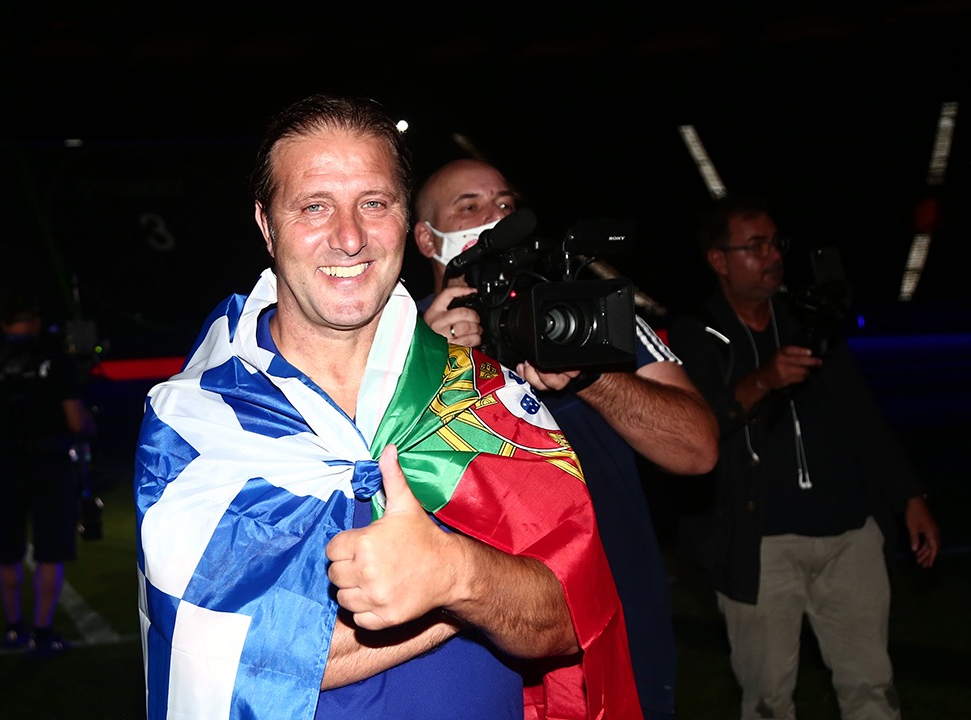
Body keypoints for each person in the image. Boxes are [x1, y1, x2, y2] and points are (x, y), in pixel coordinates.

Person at [134, 95, 641, 720]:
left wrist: (455, 572)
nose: (349, 238)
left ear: (404, 219)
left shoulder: (486, 397)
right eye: (314, 206)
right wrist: (467, 595)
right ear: (266, 226)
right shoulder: (196, 420)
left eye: (374, 203)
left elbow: (571, 616)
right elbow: (227, 649)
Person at [411, 158, 719, 720]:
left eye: (506, 204)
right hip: (472, 653)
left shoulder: (584, 310)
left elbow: (698, 449)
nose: (496, 217)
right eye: (469, 206)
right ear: (427, 238)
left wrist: (591, 377)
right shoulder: (394, 335)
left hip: (614, 630)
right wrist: (422, 367)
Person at [665, 195, 940, 720]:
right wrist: (763, 380)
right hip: (760, 546)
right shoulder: (697, 332)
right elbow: (694, 429)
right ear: (719, 260)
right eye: (756, 246)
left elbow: (863, 417)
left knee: (872, 688)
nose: (773, 256)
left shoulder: (807, 320)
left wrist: (910, 496)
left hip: (849, 535)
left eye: (776, 243)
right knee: (769, 701)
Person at [0, 291, 95, 657]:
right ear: (34, 322)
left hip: (4, 464)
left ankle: (13, 627)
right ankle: (43, 631)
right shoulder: (54, 359)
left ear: (4, 325)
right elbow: (75, 420)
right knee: (50, 552)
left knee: (7, 550)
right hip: (49, 464)